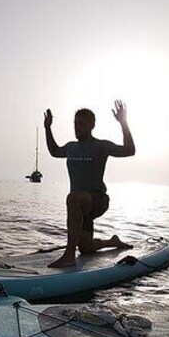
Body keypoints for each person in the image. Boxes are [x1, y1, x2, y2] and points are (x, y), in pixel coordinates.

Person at [43, 100, 135, 268]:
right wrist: (47, 128)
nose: (77, 127)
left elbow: (129, 150)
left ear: (91, 125)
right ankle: (112, 241)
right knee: (85, 248)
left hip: (97, 200)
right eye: (75, 123)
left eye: (81, 124)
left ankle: (69, 256)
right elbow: (54, 151)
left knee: (73, 198)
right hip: (81, 208)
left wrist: (123, 123)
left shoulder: (101, 146)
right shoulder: (71, 147)